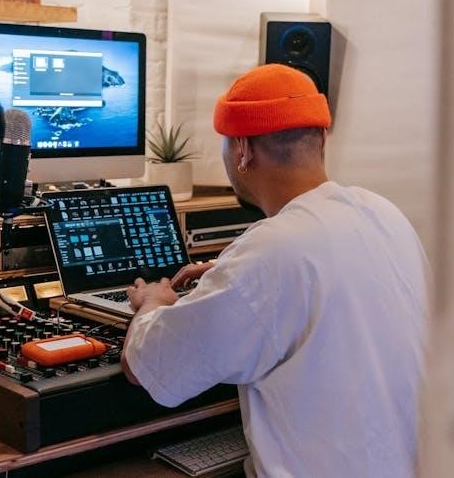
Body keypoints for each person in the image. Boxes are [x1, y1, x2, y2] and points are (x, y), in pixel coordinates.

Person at [121, 64, 428, 477]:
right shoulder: (381, 212)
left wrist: (152, 302)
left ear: (243, 150)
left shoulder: (270, 253)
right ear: (321, 139)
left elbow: (148, 365)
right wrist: (229, 272)